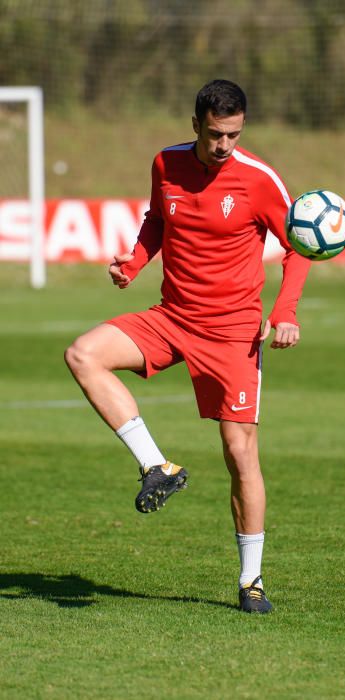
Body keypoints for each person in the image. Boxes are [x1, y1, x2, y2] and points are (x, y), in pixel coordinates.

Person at [65, 79, 311, 614]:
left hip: (232, 334)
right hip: (172, 317)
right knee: (84, 354)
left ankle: (251, 582)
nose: (225, 145)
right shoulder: (164, 164)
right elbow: (158, 219)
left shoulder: (259, 179)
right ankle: (158, 466)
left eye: (235, 135)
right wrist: (133, 263)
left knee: (239, 453)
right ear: (196, 123)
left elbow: (299, 248)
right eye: (217, 134)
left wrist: (285, 312)